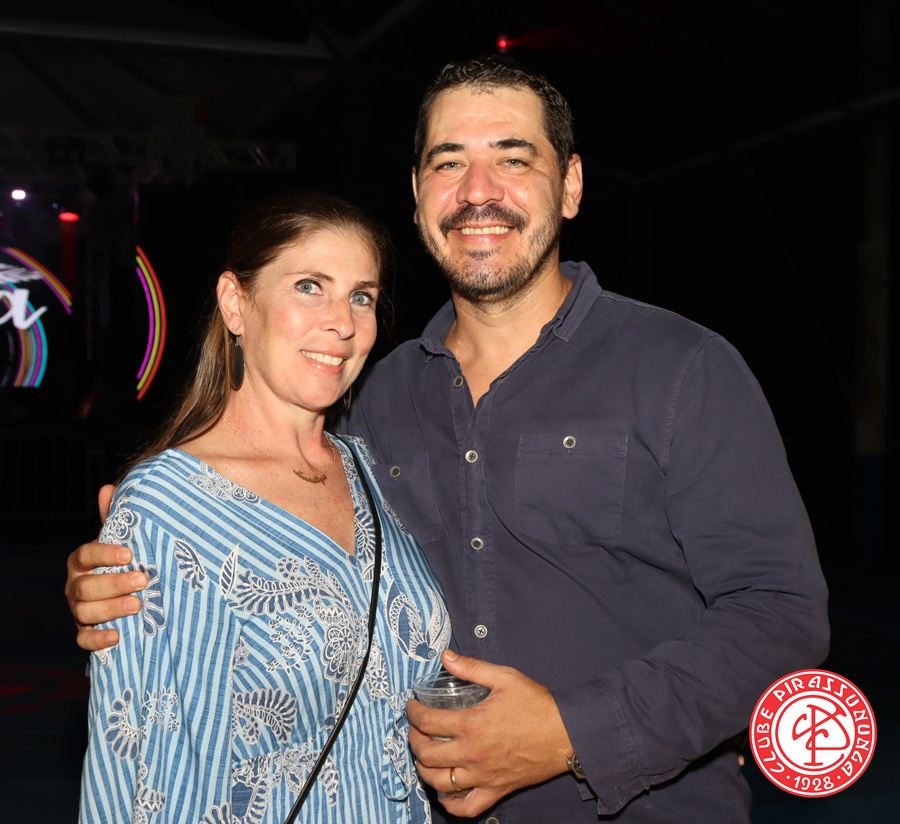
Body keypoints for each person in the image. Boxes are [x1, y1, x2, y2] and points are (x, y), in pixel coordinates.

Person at [68, 58, 829, 823]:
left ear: (570, 185)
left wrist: (573, 734)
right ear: (417, 192)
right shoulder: (375, 404)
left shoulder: (681, 368)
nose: (477, 191)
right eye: (448, 162)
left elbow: (781, 613)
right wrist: (135, 574)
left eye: (512, 158)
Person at [77, 191, 451, 824]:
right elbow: (143, 774)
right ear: (235, 303)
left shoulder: (372, 471)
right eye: (309, 287)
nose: (343, 322)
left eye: (362, 296)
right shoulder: (167, 508)